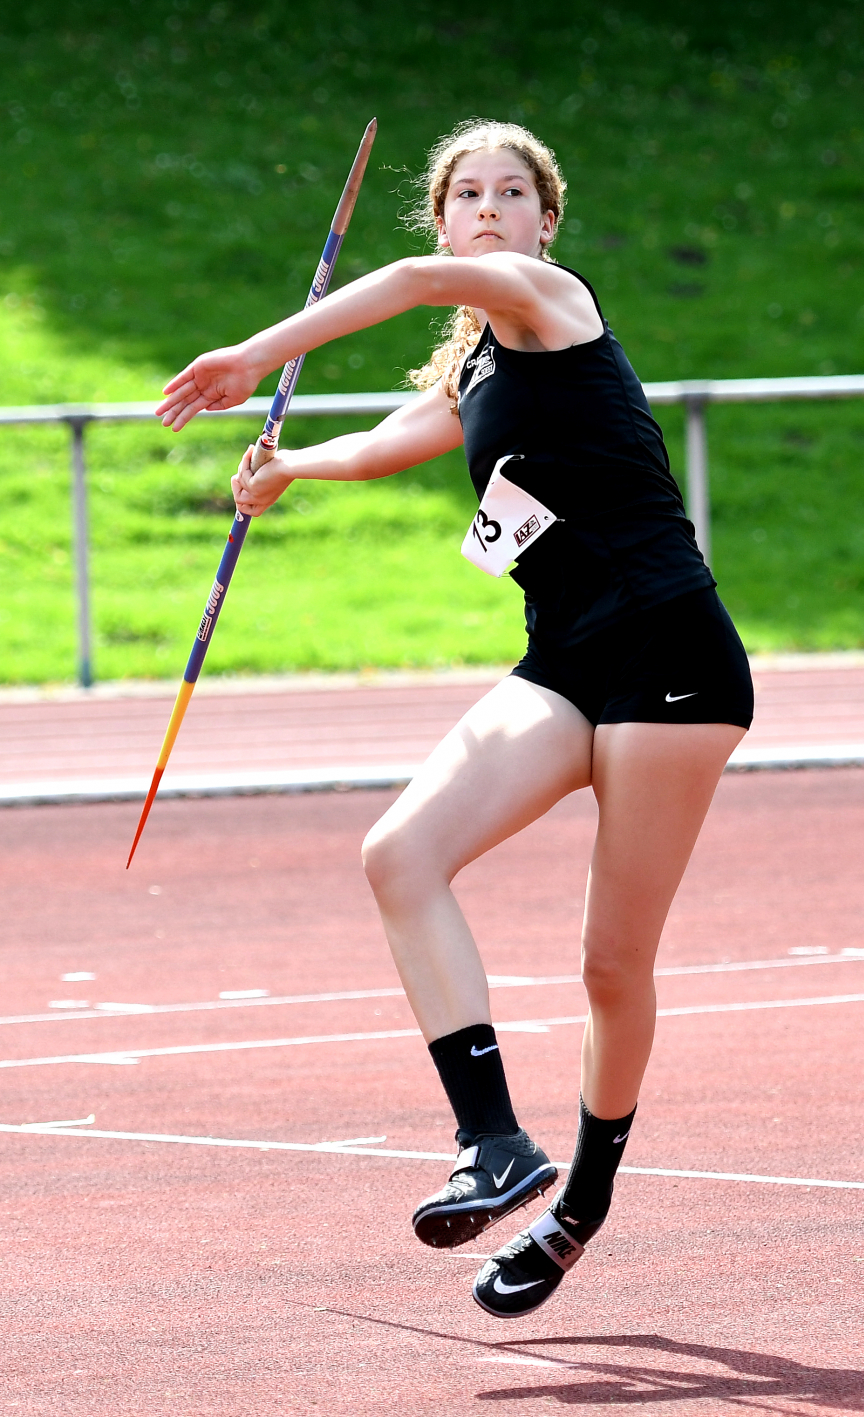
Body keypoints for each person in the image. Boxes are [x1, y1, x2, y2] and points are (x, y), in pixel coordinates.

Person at [157, 119, 754, 1319]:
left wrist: (251, 353)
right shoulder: (485, 369)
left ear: (545, 223)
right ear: (442, 214)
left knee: (610, 964)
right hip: (566, 660)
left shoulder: (547, 301)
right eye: (466, 195)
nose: (487, 209)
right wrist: (289, 469)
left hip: (667, 655)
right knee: (400, 853)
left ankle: (577, 1208)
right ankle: (495, 1145)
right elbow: (396, 439)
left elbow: (425, 286)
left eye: (511, 192)